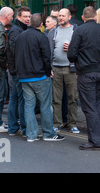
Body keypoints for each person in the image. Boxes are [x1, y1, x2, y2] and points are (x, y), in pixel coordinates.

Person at [15, 13, 65, 142]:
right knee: (45, 105)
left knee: (29, 106)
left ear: (30, 22)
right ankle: (48, 133)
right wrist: (48, 72)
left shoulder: (20, 36)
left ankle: (31, 135)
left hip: (24, 77)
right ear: (41, 25)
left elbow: (16, 55)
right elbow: (46, 57)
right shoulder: (41, 37)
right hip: (39, 76)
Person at [67, 6, 100, 150]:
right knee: (96, 105)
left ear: (83, 17)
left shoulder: (79, 30)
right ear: (96, 17)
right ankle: (95, 138)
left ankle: (95, 141)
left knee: (89, 107)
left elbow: (71, 54)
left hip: (86, 73)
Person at [48, 8, 79, 133]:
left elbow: (80, 49)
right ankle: (57, 123)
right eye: (59, 16)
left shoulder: (75, 31)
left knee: (72, 98)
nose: (61, 18)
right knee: (56, 99)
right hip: (56, 68)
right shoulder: (53, 32)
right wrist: (49, 67)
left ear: (69, 17)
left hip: (70, 69)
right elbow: (49, 51)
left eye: (63, 16)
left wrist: (71, 49)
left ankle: (72, 124)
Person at [6, 7, 31, 136]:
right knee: (21, 99)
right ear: (18, 17)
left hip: (16, 70)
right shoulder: (17, 31)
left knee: (15, 98)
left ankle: (13, 127)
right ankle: (24, 128)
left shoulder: (20, 29)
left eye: (29, 16)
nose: (27, 19)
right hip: (18, 71)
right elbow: (16, 52)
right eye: (25, 16)